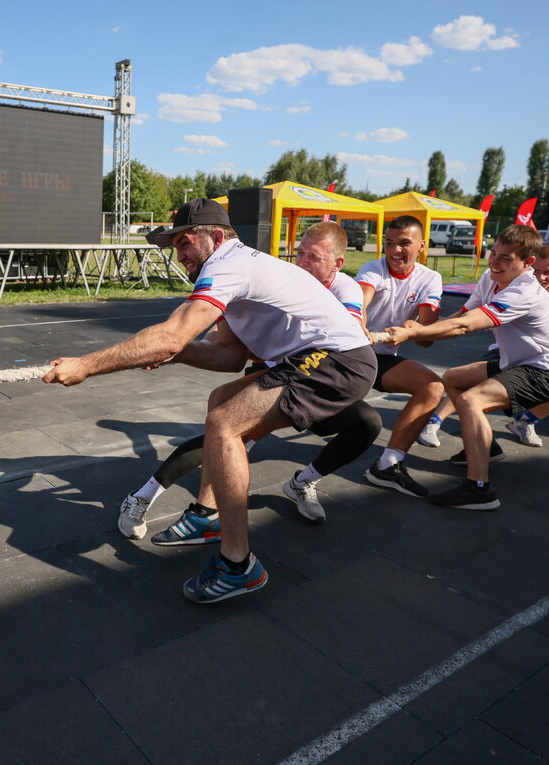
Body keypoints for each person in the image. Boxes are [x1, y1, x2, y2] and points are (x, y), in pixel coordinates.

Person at [45, 199, 375, 603]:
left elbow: (169, 334)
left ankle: (238, 565)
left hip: (338, 359)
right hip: (313, 359)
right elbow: (230, 356)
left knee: (225, 423)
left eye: (184, 243)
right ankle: (206, 515)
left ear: (215, 237)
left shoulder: (227, 264)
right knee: (223, 400)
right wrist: (177, 351)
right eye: (174, 246)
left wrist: (87, 364)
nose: (179, 255)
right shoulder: (231, 273)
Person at [115, 220, 380, 538]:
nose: (303, 262)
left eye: (314, 257)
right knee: (225, 429)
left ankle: (301, 483)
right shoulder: (283, 276)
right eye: (300, 253)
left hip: (316, 374)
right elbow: (231, 345)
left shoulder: (344, 288)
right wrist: (177, 348)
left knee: (366, 423)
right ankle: (146, 498)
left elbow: (345, 334)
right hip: (276, 369)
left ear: (337, 264)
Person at [384, 226, 549, 510]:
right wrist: (426, 329)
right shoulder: (491, 277)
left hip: (545, 371)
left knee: (472, 401)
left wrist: (415, 334)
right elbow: (463, 313)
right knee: (453, 378)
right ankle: (487, 448)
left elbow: (465, 326)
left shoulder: (524, 292)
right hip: (516, 363)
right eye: (493, 253)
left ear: (528, 263)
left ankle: (479, 489)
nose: (494, 263)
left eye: (505, 258)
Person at [418, 245, 549, 448]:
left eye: (548, 272)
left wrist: (548, 313)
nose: (540, 276)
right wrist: (430, 329)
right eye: (536, 270)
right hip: (506, 350)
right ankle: (436, 420)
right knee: (469, 389)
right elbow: (465, 315)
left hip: (538, 357)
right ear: (528, 265)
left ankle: (525, 421)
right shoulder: (500, 280)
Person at [355, 215, 445, 497]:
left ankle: (388, 464)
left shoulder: (430, 279)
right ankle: (242, 437)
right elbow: (360, 301)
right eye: (389, 243)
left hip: (379, 358)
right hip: (348, 353)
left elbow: (427, 340)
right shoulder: (373, 269)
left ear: (422, 246)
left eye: (404, 243)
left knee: (433, 387)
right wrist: (360, 324)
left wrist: (416, 329)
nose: (394, 251)